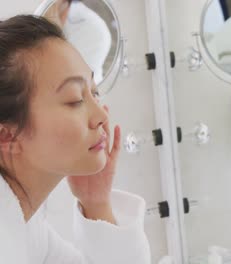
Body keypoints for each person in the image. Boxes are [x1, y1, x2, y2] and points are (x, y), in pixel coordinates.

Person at [0, 15, 150, 263]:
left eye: (94, 92)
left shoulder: (28, 229)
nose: (101, 115)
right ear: (6, 135)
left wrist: (96, 201)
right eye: (75, 99)